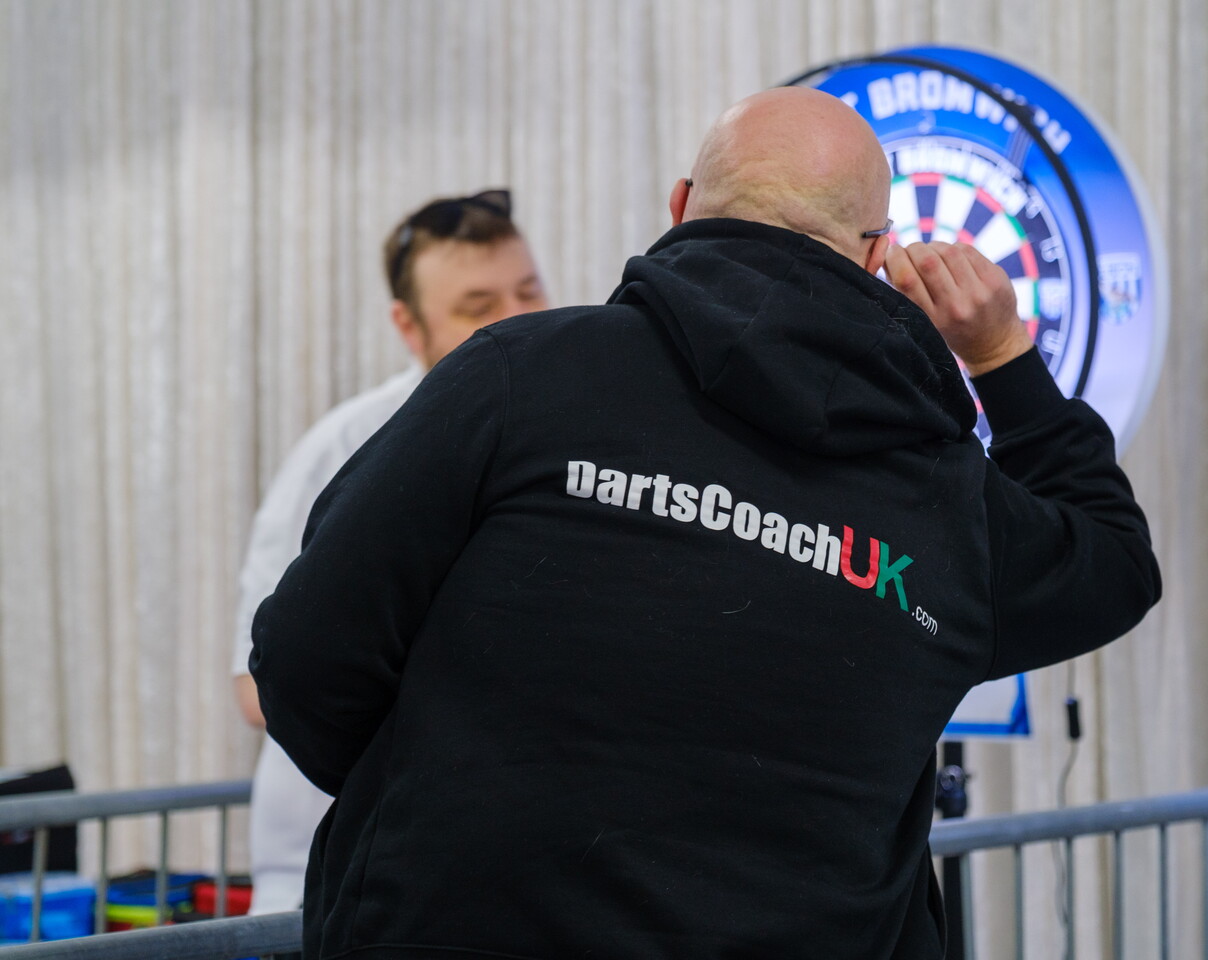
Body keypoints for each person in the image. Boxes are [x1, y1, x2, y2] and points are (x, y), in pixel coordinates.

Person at [251, 88, 1161, 959]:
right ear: (879, 254)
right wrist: (1003, 355)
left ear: (682, 206)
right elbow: (1112, 564)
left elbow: (303, 660)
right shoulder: (946, 495)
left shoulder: (521, 374)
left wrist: (444, 817)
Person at [231, 189, 548, 916]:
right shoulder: (346, 449)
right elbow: (257, 683)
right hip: (333, 878)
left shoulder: (571, 441)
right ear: (409, 326)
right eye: (478, 305)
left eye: (528, 290)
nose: (518, 319)